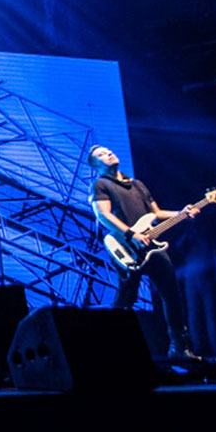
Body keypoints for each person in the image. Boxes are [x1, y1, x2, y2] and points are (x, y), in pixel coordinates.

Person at [88, 144, 199, 357]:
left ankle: (179, 347)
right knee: (126, 298)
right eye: (101, 154)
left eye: (108, 150)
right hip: (124, 245)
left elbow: (155, 213)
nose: (108, 153)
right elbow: (104, 215)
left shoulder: (137, 185)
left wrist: (181, 212)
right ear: (95, 165)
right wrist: (131, 235)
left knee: (172, 294)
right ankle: (115, 349)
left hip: (152, 247)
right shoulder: (100, 185)